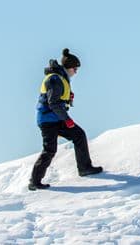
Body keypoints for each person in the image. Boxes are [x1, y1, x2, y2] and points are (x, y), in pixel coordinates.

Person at [29, 48, 103, 190]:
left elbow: (57, 100)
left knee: (79, 135)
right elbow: (53, 103)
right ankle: (34, 181)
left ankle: (85, 168)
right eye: (75, 69)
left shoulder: (61, 78)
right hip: (48, 120)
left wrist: (67, 99)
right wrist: (67, 119)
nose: (76, 72)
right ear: (69, 67)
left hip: (56, 118)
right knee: (50, 150)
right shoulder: (55, 79)